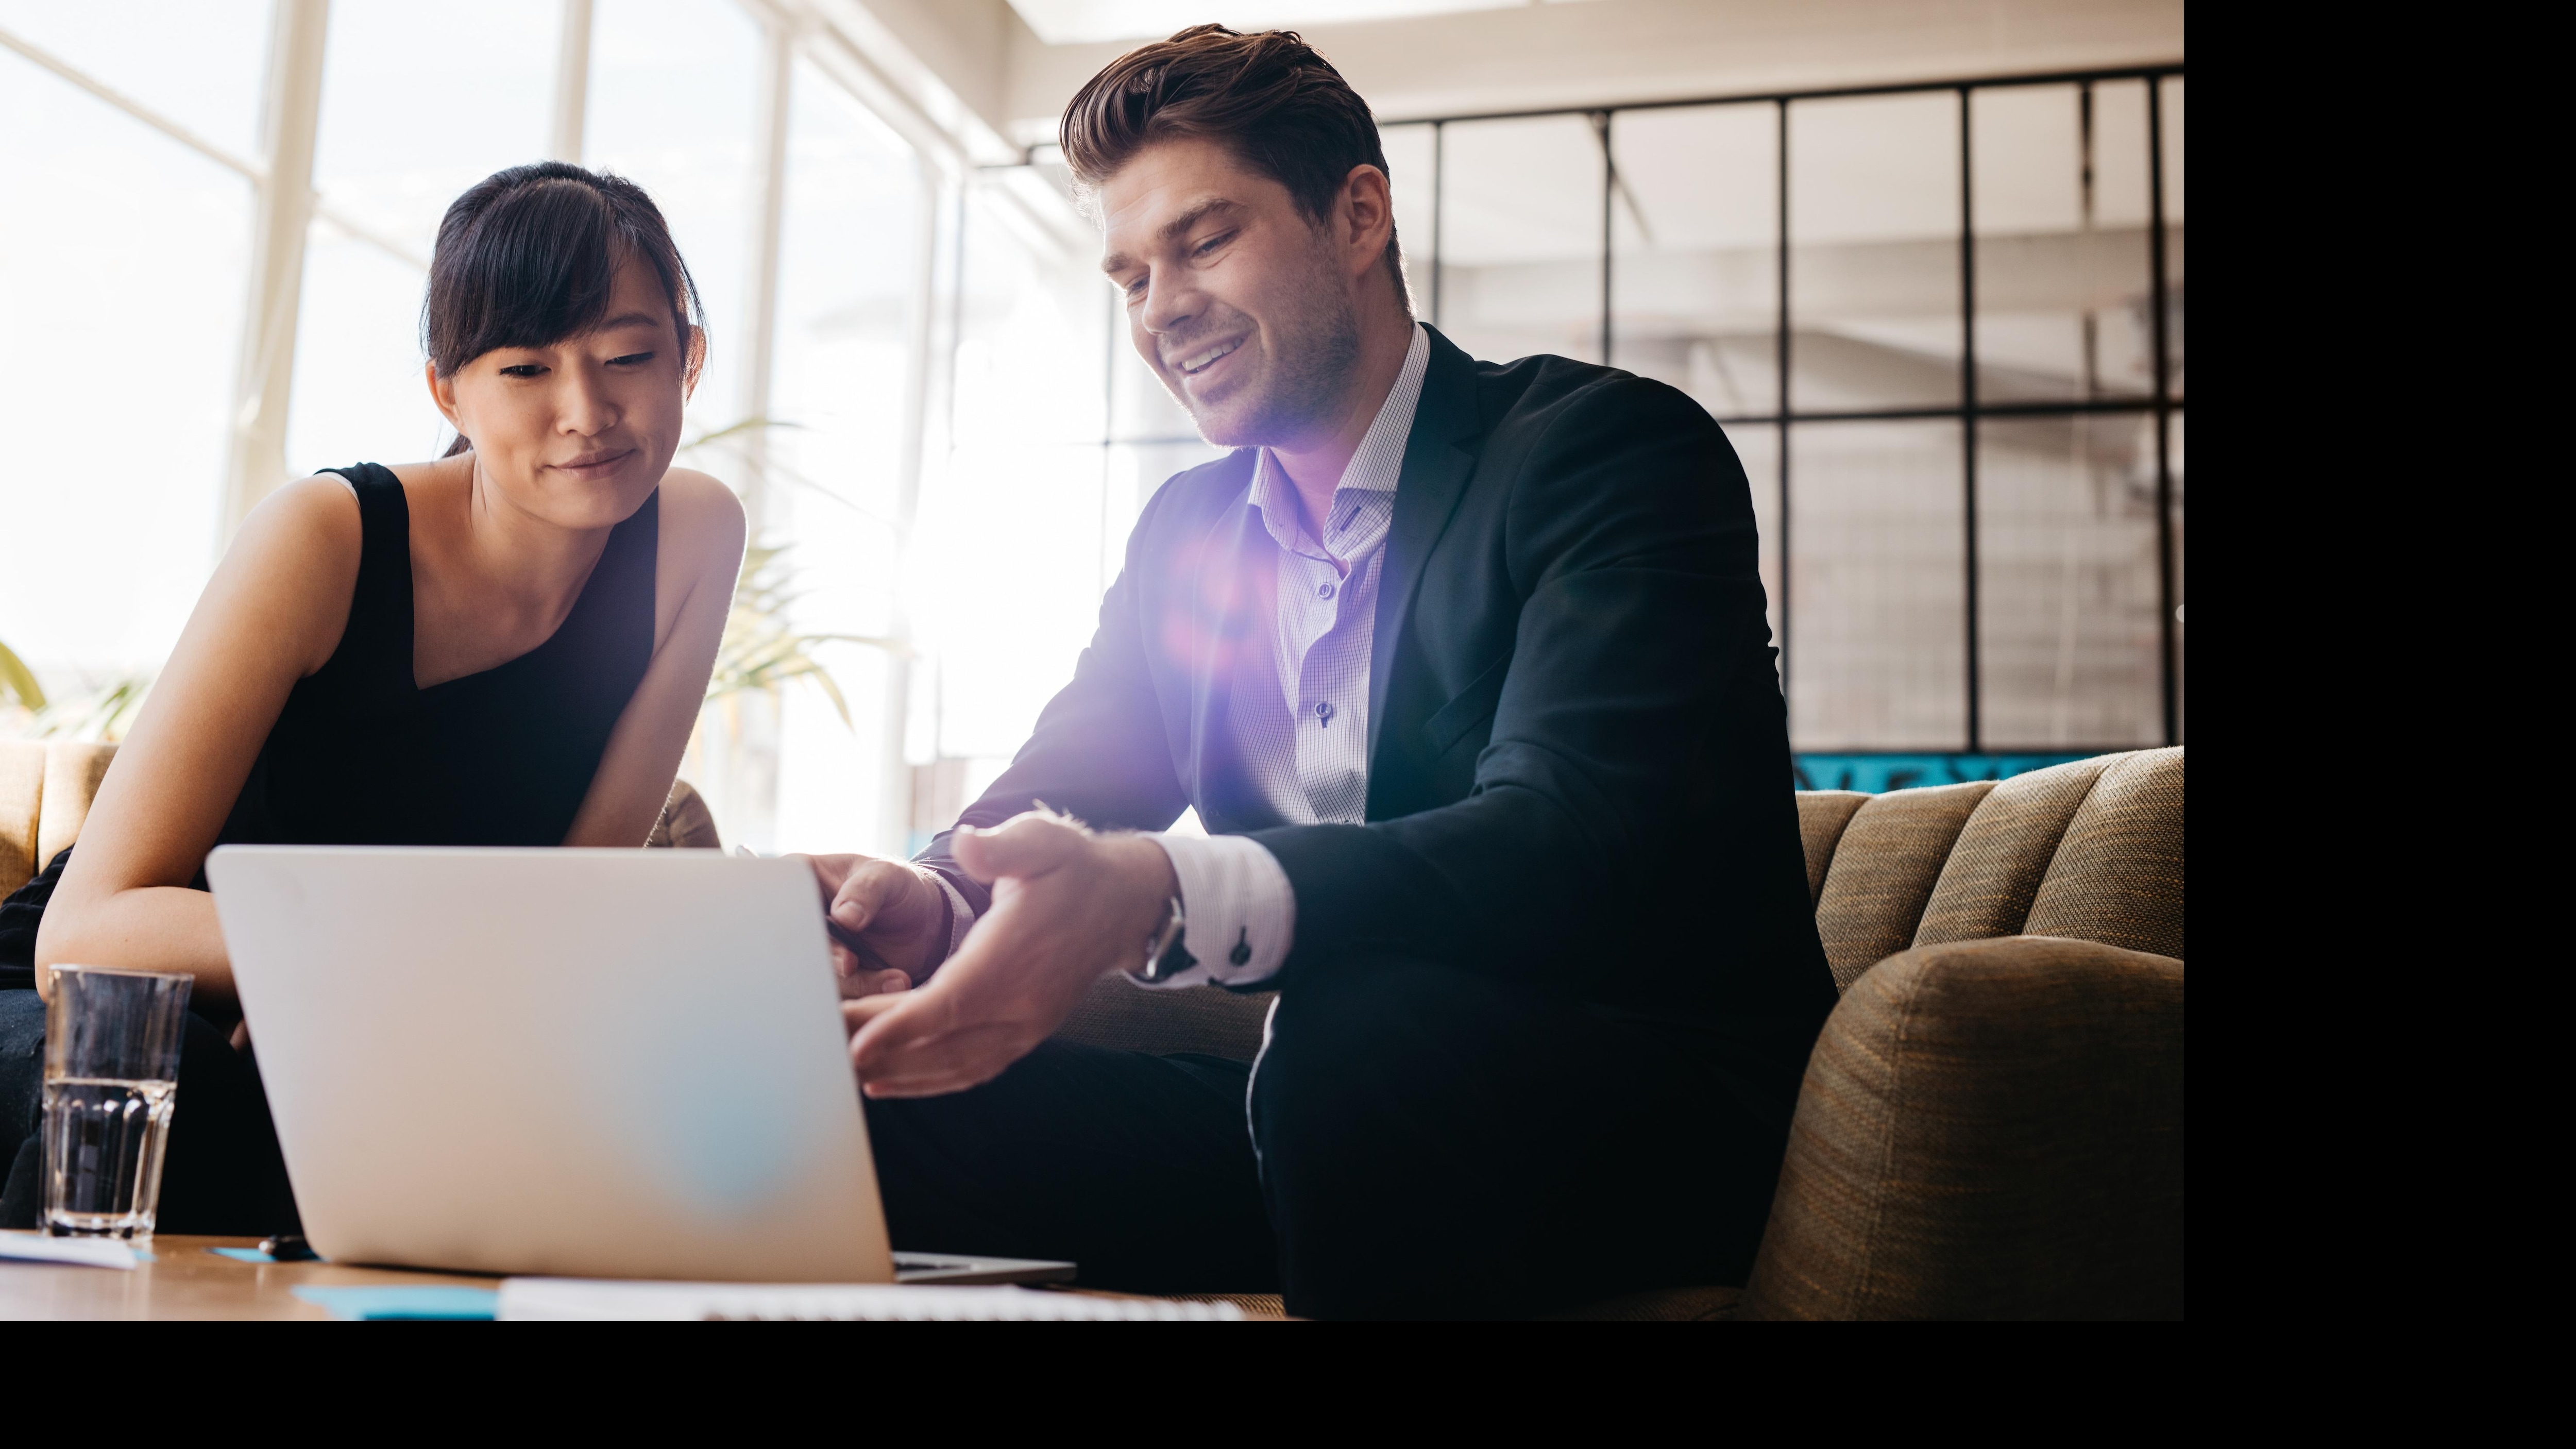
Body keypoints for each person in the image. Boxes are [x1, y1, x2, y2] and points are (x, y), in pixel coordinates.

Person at [806, 27, 1836, 1319]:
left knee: (1354, 1040)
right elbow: (1072, 779)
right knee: (866, 1093)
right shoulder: (1186, 530)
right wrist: (937, 895)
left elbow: (1566, 842)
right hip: (1324, 1113)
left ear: (1357, 216)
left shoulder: (1606, 456)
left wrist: (1161, 892)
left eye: (1204, 240)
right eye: (1128, 276)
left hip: (1644, 1103)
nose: (1160, 308)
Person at [0, 162, 747, 1232]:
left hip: (389, 1010)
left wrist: (379, 992)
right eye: (526, 368)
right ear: (449, 391)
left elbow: (572, 900)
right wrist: (340, 973)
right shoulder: (327, 536)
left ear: (689, 357)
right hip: (106, 1017)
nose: (587, 413)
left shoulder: (696, 536)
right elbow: (90, 930)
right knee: (222, 1102)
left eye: (630, 356)